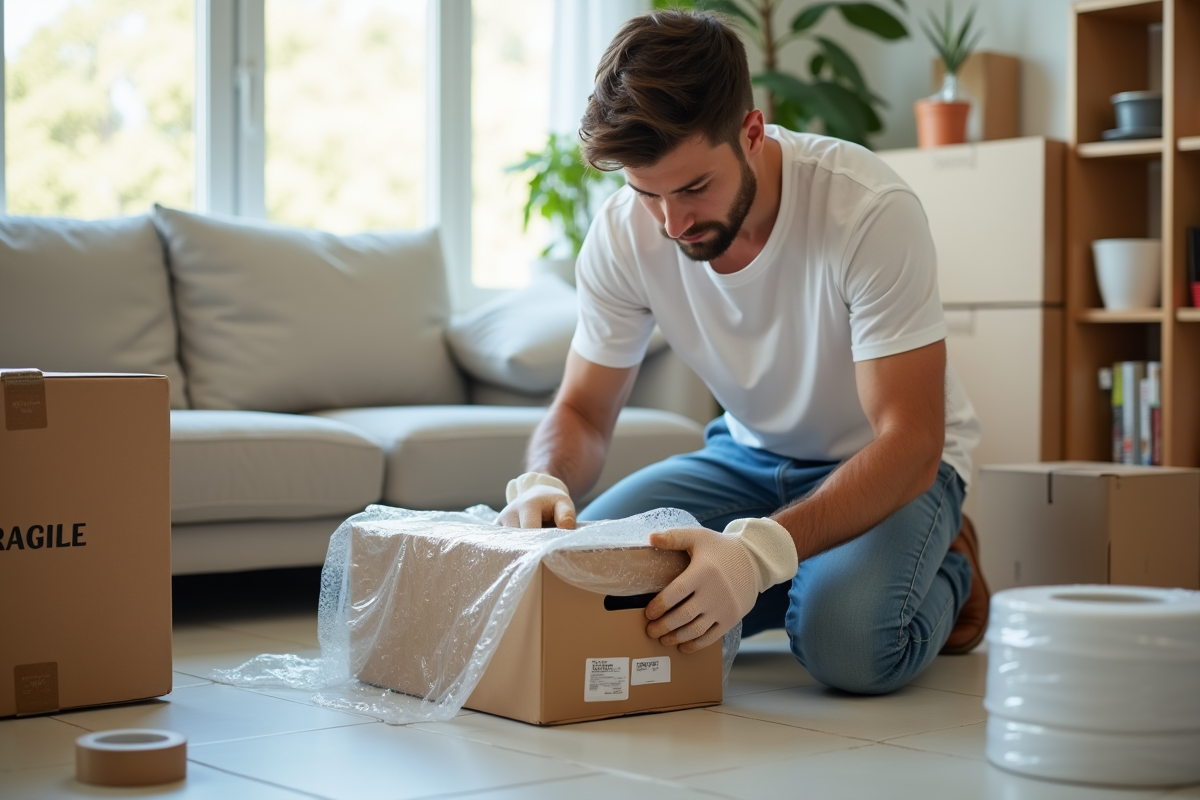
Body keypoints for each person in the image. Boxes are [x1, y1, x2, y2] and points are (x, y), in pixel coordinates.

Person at [497, 9, 986, 694]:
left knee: (846, 645)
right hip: (746, 457)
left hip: (888, 465)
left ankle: (948, 567)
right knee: (583, 579)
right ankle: (810, 571)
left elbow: (910, 441)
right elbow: (582, 409)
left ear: (752, 133)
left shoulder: (866, 209)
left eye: (694, 188)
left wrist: (753, 557)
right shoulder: (623, 233)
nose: (673, 224)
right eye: (647, 193)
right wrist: (545, 480)